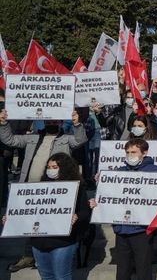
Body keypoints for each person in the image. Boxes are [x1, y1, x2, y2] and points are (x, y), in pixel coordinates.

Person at [0, 109, 88, 272]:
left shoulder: (66, 139)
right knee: (30, 224)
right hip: (30, 190)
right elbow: (9, 140)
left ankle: (58, 255)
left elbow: (80, 140)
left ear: (61, 122)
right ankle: (29, 256)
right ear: (43, 122)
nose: (51, 123)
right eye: (48, 121)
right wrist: (4, 123)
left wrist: (76, 123)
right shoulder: (32, 137)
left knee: (53, 223)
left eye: (55, 121)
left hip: (55, 191)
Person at [89, 139, 157, 280]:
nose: (130, 155)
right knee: (122, 272)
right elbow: (110, 198)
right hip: (122, 229)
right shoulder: (119, 172)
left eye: (134, 152)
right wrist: (98, 199)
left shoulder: (156, 172)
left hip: (142, 230)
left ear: (144, 153)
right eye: (128, 152)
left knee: (143, 271)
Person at [28, 153, 90, 280]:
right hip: (39, 241)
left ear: (64, 167)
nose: (50, 170)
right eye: (49, 167)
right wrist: (13, 218)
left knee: (61, 277)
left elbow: (84, 212)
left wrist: (76, 216)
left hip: (63, 242)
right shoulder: (39, 187)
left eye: (54, 167)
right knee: (46, 276)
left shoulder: (76, 187)